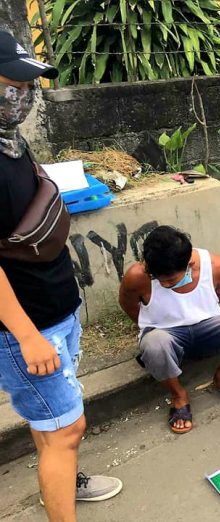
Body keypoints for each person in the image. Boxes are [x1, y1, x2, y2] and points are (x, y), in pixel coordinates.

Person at [0, 31, 122, 520]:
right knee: (68, 429)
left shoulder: (11, 140)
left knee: (53, 425)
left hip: (56, 305)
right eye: (13, 84)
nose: (24, 97)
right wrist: (27, 336)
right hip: (24, 327)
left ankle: (64, 477)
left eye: (29, 86)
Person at [119, 226, 220, 434]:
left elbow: (219, 294)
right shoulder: (137, 275)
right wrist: (151, 327)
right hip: (165, 333)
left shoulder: (217, 266)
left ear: (190, 264)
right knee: (154, 344)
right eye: (159, 279)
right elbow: (129, 306)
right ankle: (178, 395)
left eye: (171, 280)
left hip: (206, 325)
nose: (164, 284)